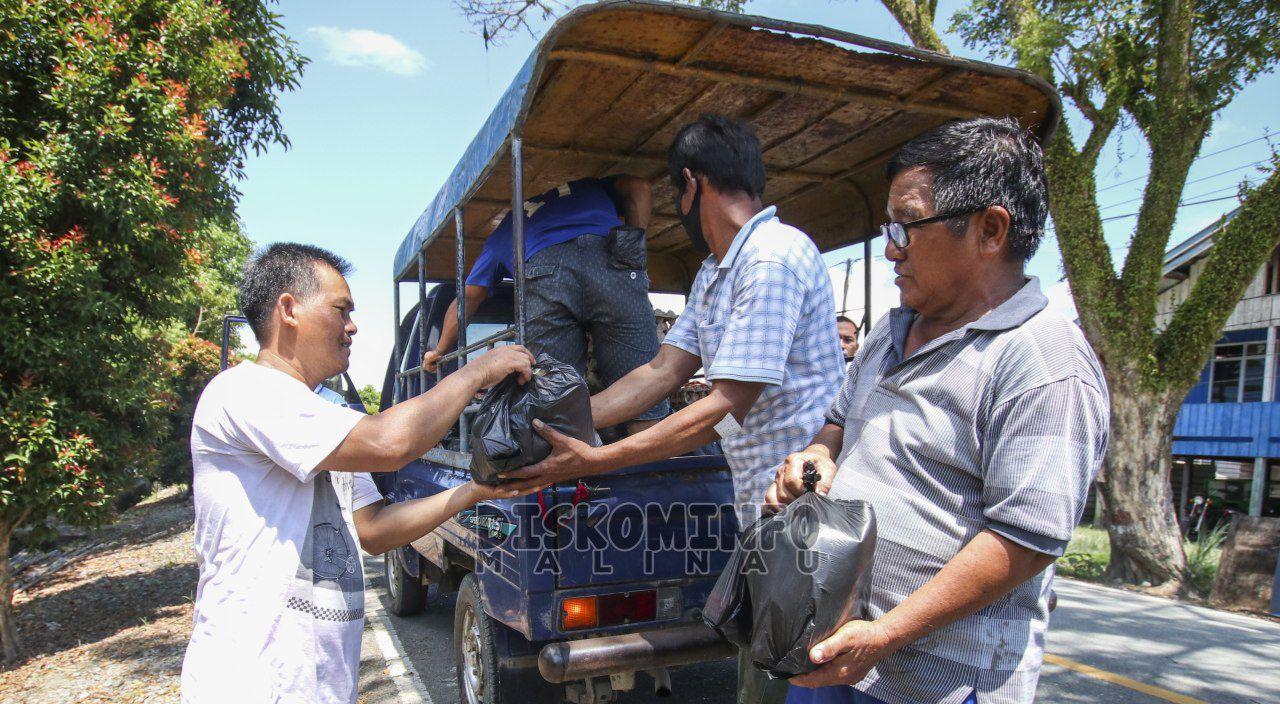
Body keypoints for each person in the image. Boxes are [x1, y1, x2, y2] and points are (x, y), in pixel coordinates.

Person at [764, 118, 1109, 704]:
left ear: (990, 229)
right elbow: (840, 426)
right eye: (888, 227)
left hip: (938, 684)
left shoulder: (1043, 360)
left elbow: (1023, 541)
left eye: (906, 227)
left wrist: (887, 634)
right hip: (841, 650)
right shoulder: (889, 334)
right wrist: (814, 457)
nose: (892, 247)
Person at [505, 114, 843, 704]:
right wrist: (563, 421)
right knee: (757, 674)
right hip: (762, 518)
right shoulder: (716, 273)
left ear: (691, 185)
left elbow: (721, 405)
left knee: (782, 685)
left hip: (806, 520)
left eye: (676, 195)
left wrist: (592, 459)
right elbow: (660, 372)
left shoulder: (771, 257)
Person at [181, 243, 543, 704]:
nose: (352, 327)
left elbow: (372, 531)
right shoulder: (244, 393)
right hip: (252, 681)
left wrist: (475, 491)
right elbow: (390, 444)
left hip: (320, 685)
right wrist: (475, 372)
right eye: (341, 310)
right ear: (288, 309)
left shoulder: (324, 420)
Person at [421, 174, 667, 433]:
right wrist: (632, 251)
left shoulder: (507, 227)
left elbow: (468, 297)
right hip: (610, 266)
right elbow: (640, 186)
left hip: (544, 275)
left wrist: (439, 349)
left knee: (553, 404)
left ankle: (564, 467)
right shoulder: (590, 187)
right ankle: (651, 464)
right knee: (644, 392)